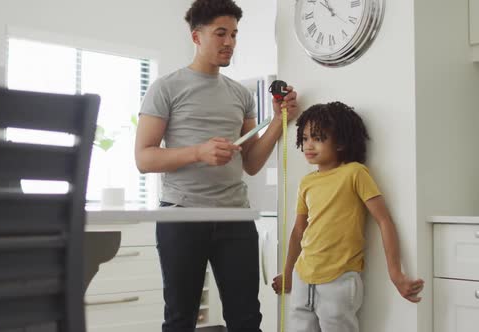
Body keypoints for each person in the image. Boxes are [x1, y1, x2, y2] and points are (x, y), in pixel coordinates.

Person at [134, 0, 298, 331]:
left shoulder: (241, 95)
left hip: (234, 217)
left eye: (235, 34)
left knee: (247, 319)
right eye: (220, 33)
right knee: (180, 319)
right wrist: (198, 152)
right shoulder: (165, 88)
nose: (229, 43)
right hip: (181, 215)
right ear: (196, 36)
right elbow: (144, 158)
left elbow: (251, 162)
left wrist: (281, 121)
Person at [271, 102, 424, 332]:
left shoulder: (355, 173)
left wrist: (395, 273)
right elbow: (299, 231)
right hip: (304, 276)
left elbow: (384, 220)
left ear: (341, 142)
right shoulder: (307, 182)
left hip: (339, 278)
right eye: (304, 139)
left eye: (317, 138)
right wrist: (289, 271)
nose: (308, 145)